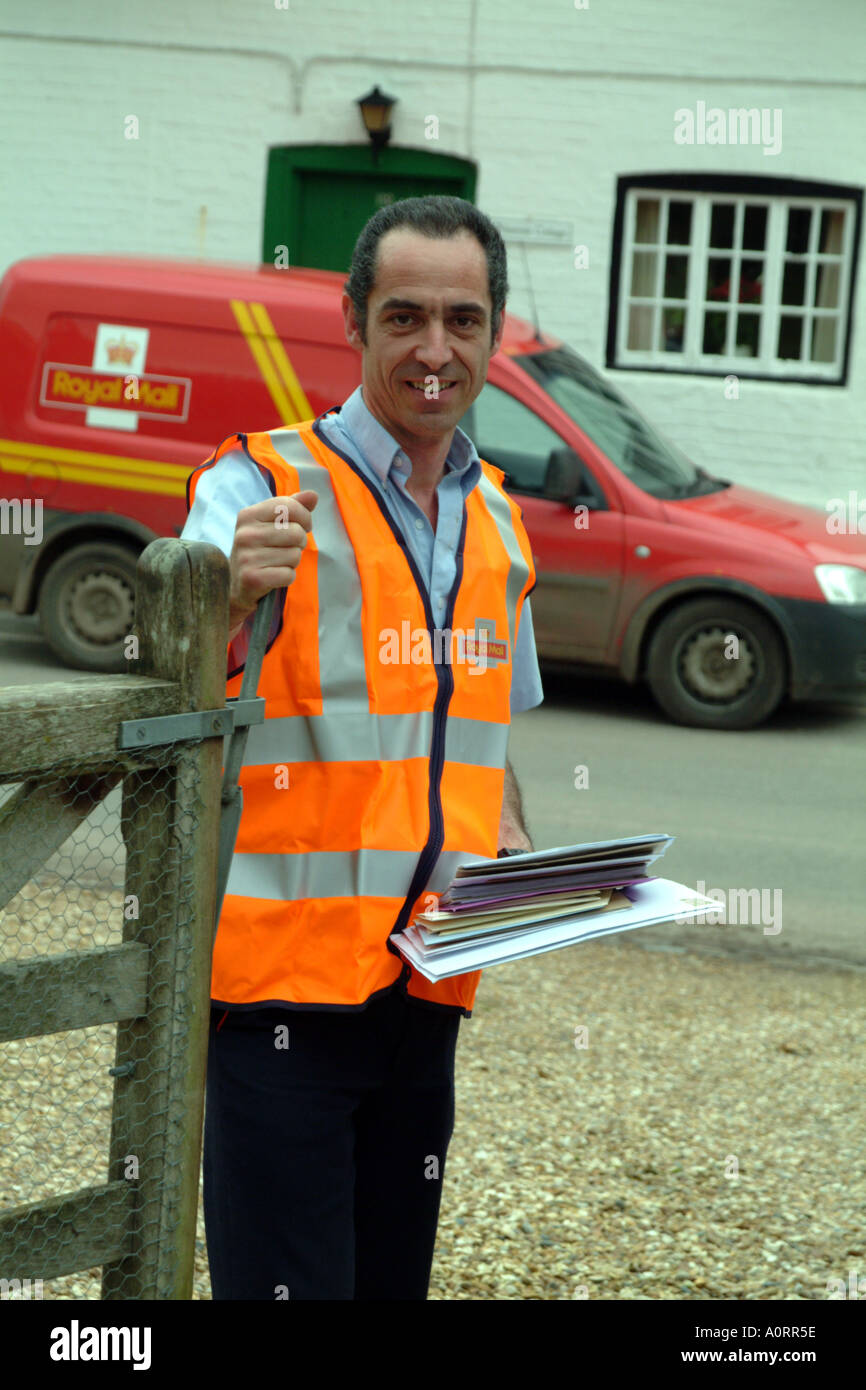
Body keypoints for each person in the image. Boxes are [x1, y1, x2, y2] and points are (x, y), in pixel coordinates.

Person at [182, 195, 543, 1301]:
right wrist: (218, 597)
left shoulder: (496, 518)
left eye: (463, 319)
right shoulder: (256, 489)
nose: (434, 351)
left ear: (494, 332)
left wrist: (528, 863)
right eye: (403, 317)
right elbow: (167, 692)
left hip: (425, 990)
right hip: (280, 998)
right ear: (351, 320)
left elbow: (483, 734)